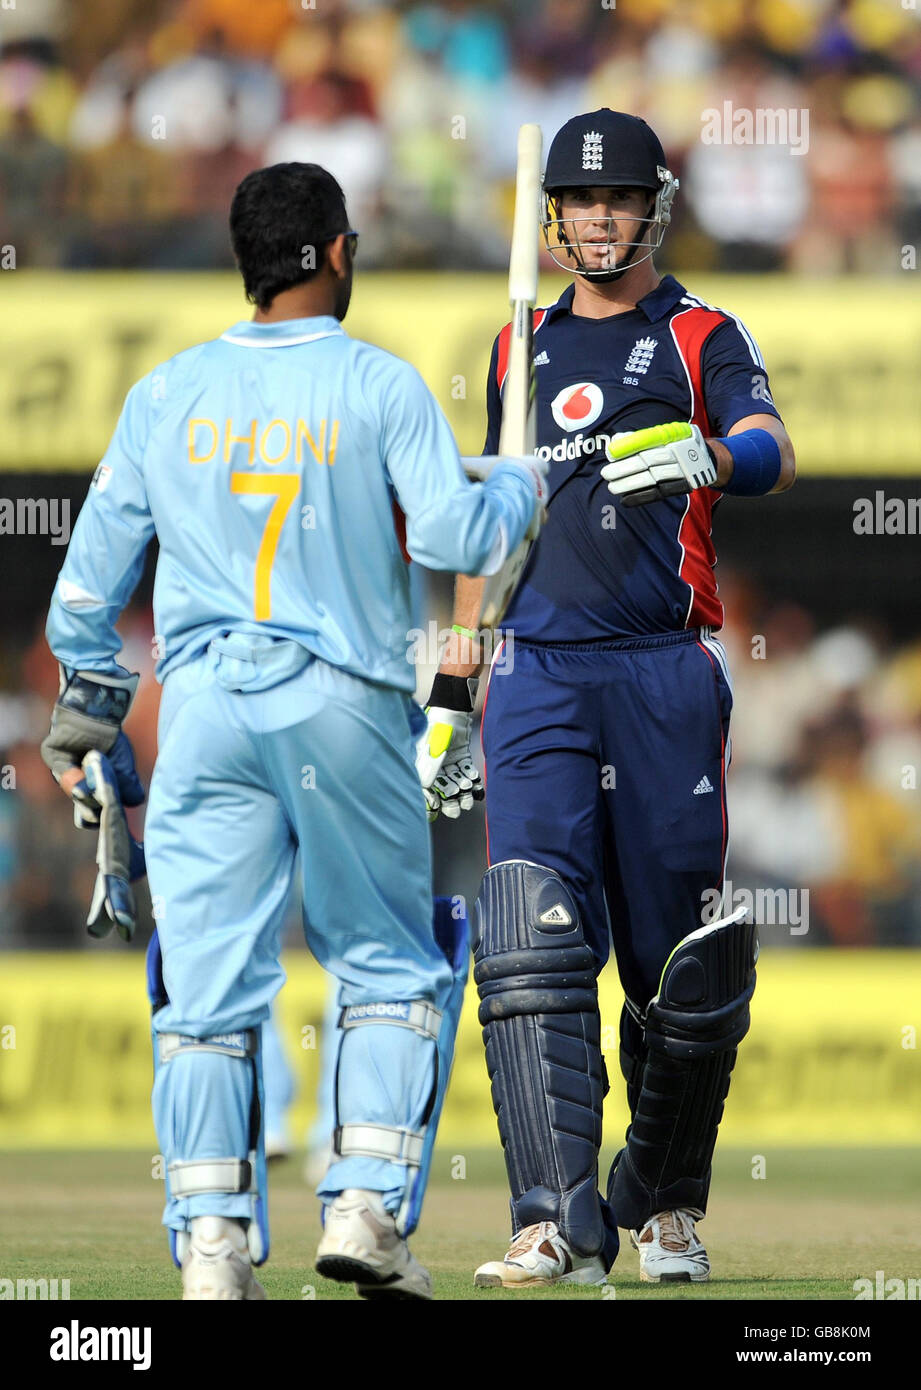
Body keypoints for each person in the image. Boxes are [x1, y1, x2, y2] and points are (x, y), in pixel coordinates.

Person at [40, 161, 545, 1301]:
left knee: (207, 990)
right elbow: (461, 537)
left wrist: (94, 707)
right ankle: (365, 1208)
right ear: (334, 252)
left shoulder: (165, 393)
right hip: (342, 698)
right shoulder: (380, 383)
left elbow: (84, 593)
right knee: (386, 963)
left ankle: (211, 1247)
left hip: (205, 704)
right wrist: (520, 483)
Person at [417, 109, 795, 1287]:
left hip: (662, 670)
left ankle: (665, 1205)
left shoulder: (700, 332)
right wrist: (446, 689)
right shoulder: (511, 344)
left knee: (682, 959)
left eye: (618, 200)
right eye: (580, 202)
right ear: (554, 216)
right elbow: (490, 532)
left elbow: (773, 444)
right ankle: (550, 1218)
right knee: (528, 941)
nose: (597, 218)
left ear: (653, 207)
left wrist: (712, 454)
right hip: (532, 671)